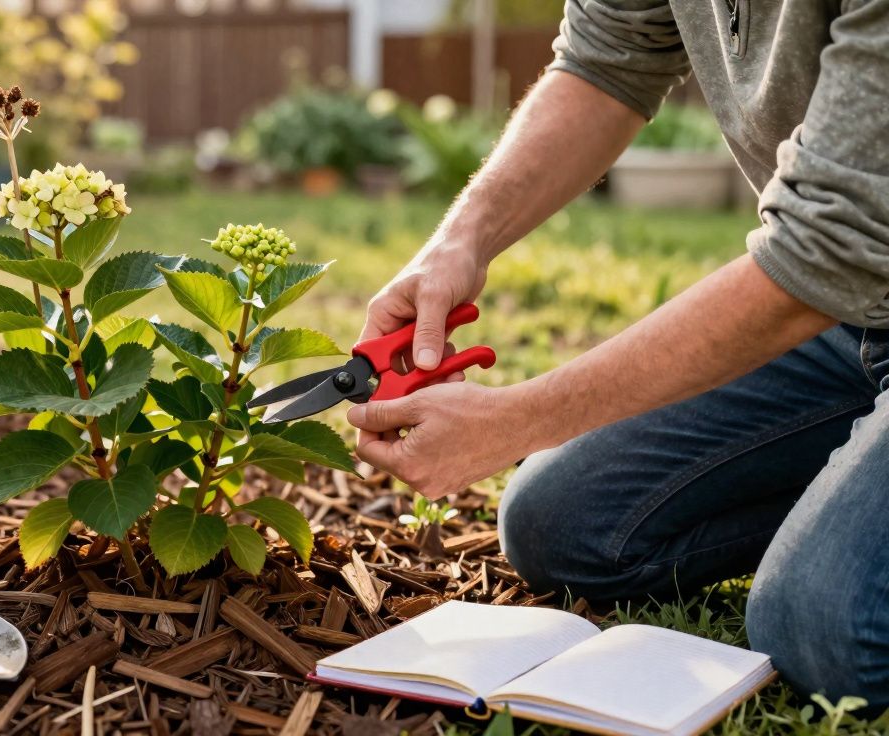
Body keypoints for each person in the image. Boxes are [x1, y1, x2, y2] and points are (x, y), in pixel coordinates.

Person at [347, 0, 889, 708]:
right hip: (849, 312)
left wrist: (516, 420)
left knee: (826, 631)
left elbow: (828, 245)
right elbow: (608, 57)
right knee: (563, 525)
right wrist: (460, 240)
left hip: (840, 274)